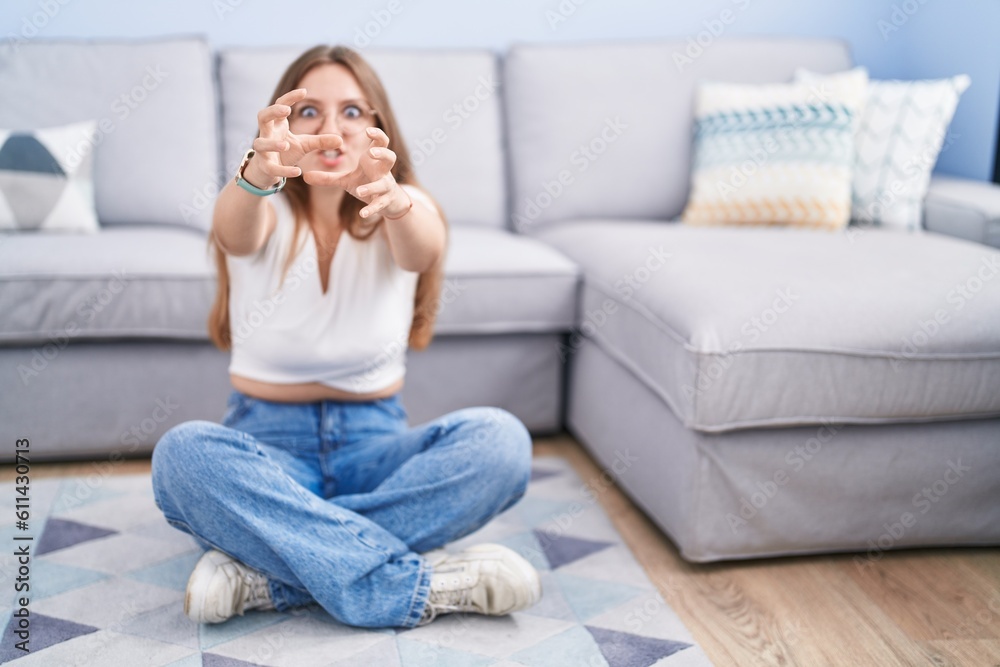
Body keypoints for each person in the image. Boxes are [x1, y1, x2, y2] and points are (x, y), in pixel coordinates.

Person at [150, 45, 542, 630]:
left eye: (352, 111)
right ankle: (406, 582)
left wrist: (396, 203)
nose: (330, 129)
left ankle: (276, 573)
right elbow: (234, 234)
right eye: (309, 112)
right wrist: (257, 174)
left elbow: (423, 247)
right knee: (183, 458)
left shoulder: (404, 204)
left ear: (379, 126)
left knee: (502, 443)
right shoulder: (258, 200)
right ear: (284, 125)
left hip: (374, 448)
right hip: (267, 449)